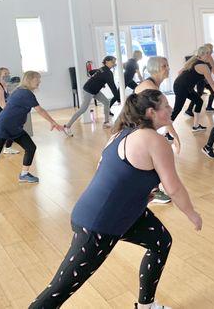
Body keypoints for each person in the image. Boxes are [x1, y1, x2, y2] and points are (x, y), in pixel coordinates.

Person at [30, 90, 202, 309]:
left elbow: (116, 174)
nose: (170, 109)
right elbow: (173, 188)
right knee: (58, 290)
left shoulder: (122, 133)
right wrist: (192, 214)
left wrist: (139, 193)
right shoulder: (155, 141)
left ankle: (145, 306)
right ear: (151, 112)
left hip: (117, 213)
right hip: (98, 225)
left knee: (160, 242)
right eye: (165, 105)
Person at [0, 71, 64, 183]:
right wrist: (53, 122)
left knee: (30, 147)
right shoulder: (25, 93)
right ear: (29, 79)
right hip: (3, 127)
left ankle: (24, 174)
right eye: (37, 79)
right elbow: (40, 110)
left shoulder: (20, 91)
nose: (39, 81)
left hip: (15, 128)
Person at [135, 56, 181, 205]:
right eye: (164, 66)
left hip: (142, 128)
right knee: (152, 158)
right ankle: (152, 192)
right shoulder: (150, 87)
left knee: (151, 158)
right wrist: (175, 135)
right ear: (155, 68)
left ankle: (151, 190)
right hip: (136, 128)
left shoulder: (153, 85)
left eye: (167, 65)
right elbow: (163, 114)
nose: (167, 68)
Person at [64, 56, 118, 135]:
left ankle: (106, 122)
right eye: (112, 62)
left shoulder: (102, 69)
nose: (114, 64)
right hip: (88, 91)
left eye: (114, 62)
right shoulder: (107, 72)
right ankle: (67, 126)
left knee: (106, 102)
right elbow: (112, 86)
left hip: (95, 91)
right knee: (82, 109)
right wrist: (118, 97)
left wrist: (99, 81)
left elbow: (91, 72)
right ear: (107, 62)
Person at [172, 46, 214, 132]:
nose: (209, 56)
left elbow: (180, 72)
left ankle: (196, 126)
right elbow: (211, 83)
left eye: (210, 54)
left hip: (184, 86)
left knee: (199, 101)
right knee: (177, 109)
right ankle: (166, 132)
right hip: (182, 87)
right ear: (201, 55)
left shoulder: (195, 61)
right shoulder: (203, 66)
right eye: (207, 54)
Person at [186, 43, 214, 115]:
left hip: (205, 80)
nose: (212, 50)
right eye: (210, 49)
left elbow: (213, 67)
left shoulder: (209, 57)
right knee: (198, 95)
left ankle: (209, 107)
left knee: (210, 92)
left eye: (212, 49)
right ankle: (189, 110)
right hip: (200, 80)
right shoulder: (202, 57)